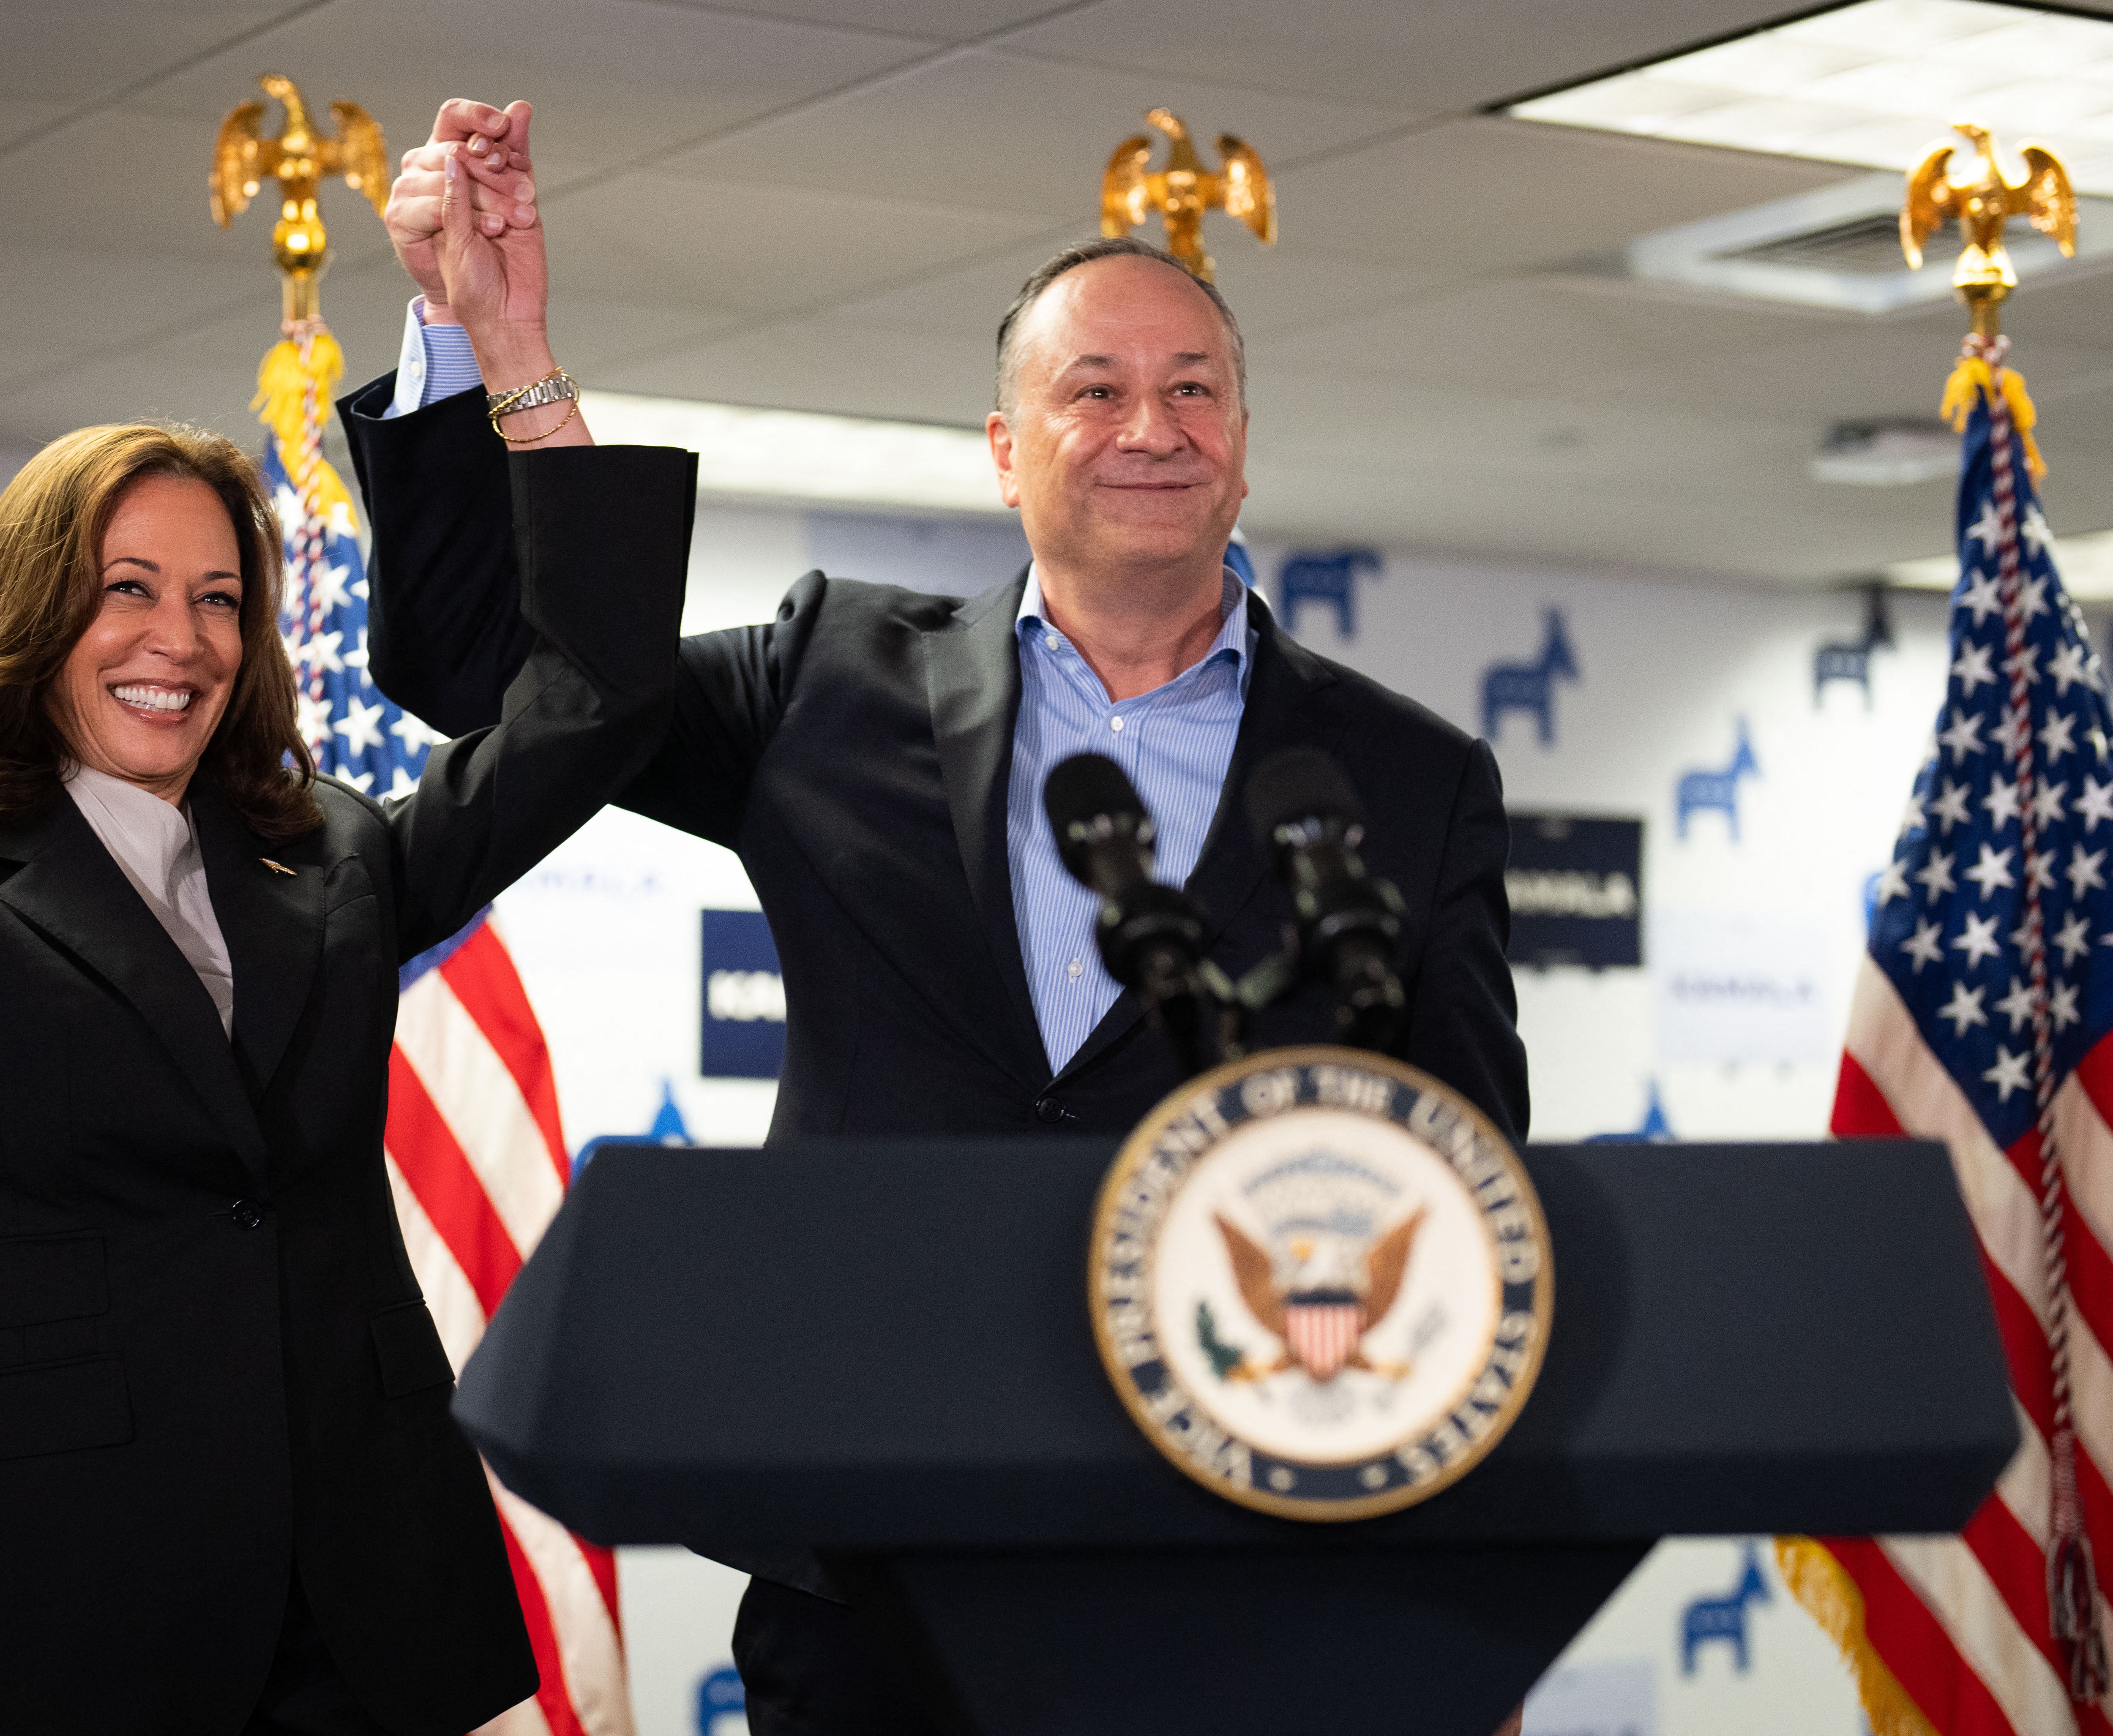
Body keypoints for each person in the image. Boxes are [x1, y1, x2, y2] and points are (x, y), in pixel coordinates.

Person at [355, 104, 1526, 1736]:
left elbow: (1464, 1176)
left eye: (1194, 389)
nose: (1151, 426)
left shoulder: (1411, 778)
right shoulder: (831, 680)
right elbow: (504, 674)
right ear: (1001, 447)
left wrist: (1462, 1579)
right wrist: (505, 341)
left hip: (1241, 1558)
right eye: (1095, 390)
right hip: (869, 1571)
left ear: (1245, 442)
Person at [0, 150, 691, 1736]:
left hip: (353, 1601)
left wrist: (509, 358)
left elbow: (597, 701)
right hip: (41, 1599)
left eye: (216, 599)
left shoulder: (335, 853)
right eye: (125, 589)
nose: (176, 642)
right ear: (37, 612)